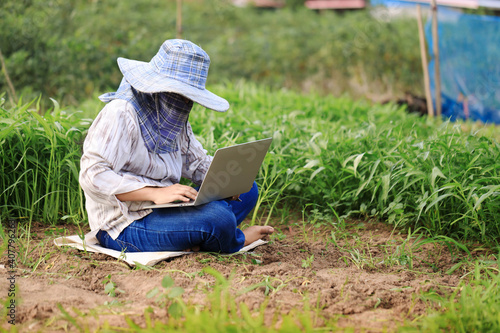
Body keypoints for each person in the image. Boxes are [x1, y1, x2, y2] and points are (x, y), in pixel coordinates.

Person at [79, 39, 274, 253]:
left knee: (247, 189)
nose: (184, 104)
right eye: (178, 94)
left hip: (165, 208)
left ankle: (199, 235)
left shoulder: (173, 119)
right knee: (219, 218)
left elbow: (195, 162)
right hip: (124, 224)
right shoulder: (121, 113)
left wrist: (226, 184)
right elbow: (93, 176)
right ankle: (235, 239)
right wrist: (154, 192)